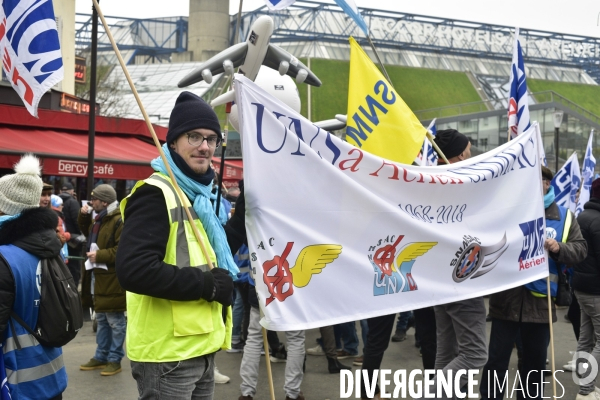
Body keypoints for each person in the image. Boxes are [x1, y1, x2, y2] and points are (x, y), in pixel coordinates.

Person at [116, 91, 246, 399]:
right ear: (173, 142)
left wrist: (245, 211)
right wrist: (207, 286)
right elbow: (134, 270)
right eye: (194, 137)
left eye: (212, 139)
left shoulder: (202, 196)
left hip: (202, 348)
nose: (204, 146)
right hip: (167, 356)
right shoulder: (155, 193)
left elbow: (213, 249)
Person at [480, 166, 587, 400]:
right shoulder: (507, 210)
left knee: (533, 367)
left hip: (541, 305)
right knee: (496, 362)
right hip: (506, 301)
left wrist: (559, 248)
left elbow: (581, 250)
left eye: (541, 181)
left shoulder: (564, 216)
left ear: (548, 184)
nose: (537, 184)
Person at [0, 154, 67, 399]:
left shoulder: (4, 257)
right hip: (50, 373)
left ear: (5, 206)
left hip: (16, 381)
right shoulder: (50, 249)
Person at [429, 129, 489, 395]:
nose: (472, 151)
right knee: (475, 355)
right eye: (468, 148)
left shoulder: (430, 181)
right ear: (460, 153)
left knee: (447, 352)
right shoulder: (459, 184)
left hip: (439, 280)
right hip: (461, 280)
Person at [78, 184, 126, 377]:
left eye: (95, 199)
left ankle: (115, 359)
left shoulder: (118, 220)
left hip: (113, 278)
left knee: (115, 320)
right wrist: (83, 216)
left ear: (104, 202)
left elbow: (122, 250)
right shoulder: (100, 218)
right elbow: (89, 234)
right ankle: (101, 356)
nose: (92, 202)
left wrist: (100, 256)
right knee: (104, 319)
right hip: (99, 275)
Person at [239, 279, 305, 400]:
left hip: (261, 281)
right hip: (292, 283)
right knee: (295, 338)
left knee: (254, 337)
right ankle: (292, 393)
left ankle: (246, 393)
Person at [572, 178, 600, 400]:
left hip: (581, 287)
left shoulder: (581, 216)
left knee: (586, 338)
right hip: (596, 290)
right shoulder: (598, 221)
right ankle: (585, 388)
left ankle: (586, 389)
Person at [59, 181, 83, 286]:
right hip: (73, 241)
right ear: (72, 191)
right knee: (74, 269)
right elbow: (78, 222)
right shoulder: (72, 202)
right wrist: (82, 234)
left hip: (61, 240)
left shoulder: (55, 201)